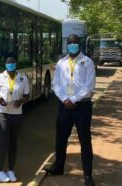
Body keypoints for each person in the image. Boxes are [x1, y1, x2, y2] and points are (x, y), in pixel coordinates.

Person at [44, 34, 96, 186]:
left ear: (79, 44)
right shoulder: (61, 63)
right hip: (64, 106)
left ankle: (87, 175)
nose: (72, 44)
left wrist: (73, 100)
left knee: (84, 140)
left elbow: (89, 86)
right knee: (61, 137)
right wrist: (65, 99)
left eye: (75, 42)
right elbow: (56, 84)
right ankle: (59, 166)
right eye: (70, 42)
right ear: (67, 44)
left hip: (82, 106)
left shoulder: (87, 62)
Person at [0, 57, 30, 182]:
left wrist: (20, 101)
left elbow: (27, 96)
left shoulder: (23, 78)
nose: (10, 65)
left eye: (12, 63)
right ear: (5, 65)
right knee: (5, 140)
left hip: (16, 113)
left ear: (16, 64)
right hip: (1, 112)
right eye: (8, 63)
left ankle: (11, 170)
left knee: (13, 141)